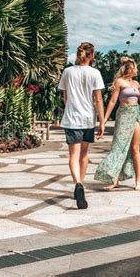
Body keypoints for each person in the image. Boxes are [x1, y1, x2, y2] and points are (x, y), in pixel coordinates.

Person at [94, 57, 140, 191]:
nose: (137, 70)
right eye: (135, 68)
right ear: (130, 69)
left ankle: (138, 181)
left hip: (135, 116)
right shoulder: (119, 82)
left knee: (135, 149)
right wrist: (103, 121)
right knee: (118, 147)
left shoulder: (136, 84)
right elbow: (113, 102)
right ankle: (114, 180)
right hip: (123, 116)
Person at [58, 42, 105, 209]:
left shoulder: (67, 72)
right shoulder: (95, 73)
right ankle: (81, 184)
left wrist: (71, 107)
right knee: (84, 155)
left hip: (72, 118)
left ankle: (77, 183)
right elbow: (98, 99)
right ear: (92, 56)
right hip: (87, 119)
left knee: (73, 155)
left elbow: (65, 97)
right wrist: (102, 121)